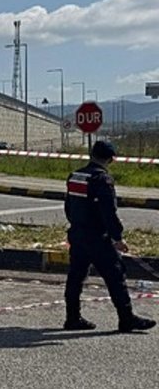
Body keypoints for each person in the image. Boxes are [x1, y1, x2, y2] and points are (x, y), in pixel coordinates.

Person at [62, 140, 155, 333]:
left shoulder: (75, 176)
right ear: (110, 159)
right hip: (98, 238)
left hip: (78, 235)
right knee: (115, 275)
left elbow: (68, 206)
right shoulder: (102, 180)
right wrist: (117, 238)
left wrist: (77, 226)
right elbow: (108, 212)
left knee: (76, 277)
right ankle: (126, 318)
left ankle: (72, 317)